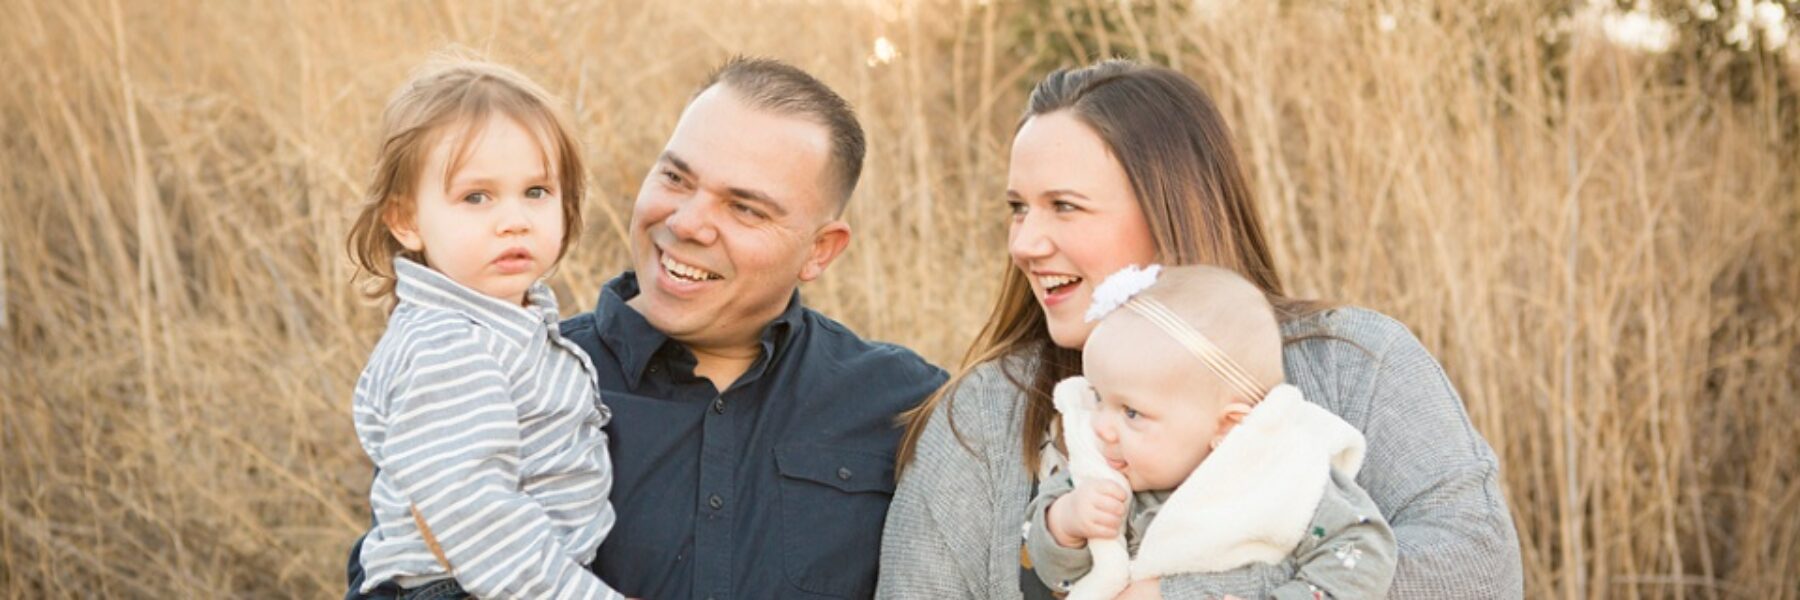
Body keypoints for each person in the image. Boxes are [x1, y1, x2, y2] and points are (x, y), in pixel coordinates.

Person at [878, 59, 1522, 599]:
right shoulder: (988, 412)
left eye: (1064, 206)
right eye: (1018, 208)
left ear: (1172, 208)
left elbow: (1475, 570)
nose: (1024, 242)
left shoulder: (1356, 363)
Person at [346, 56, 948, 599]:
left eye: (743, 207)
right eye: (676, 179)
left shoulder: (908, 406)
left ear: (821, 250)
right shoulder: (501, 377)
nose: (687, 223)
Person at [344, 57, 624, 599]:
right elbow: (478, 519)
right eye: (477, 197)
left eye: (537, 192)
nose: (514, 219)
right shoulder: (448, 346)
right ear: (406, 221)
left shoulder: (503, 323)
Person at [1024, 264, 1394, 599]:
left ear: (1228, 426)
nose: (1102, 426)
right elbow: (1056, 575)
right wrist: (1065, 523)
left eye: (1132, 413)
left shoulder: (1284, 476)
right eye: (1099, 397)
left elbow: (1364, 550)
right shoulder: (1099, 474)